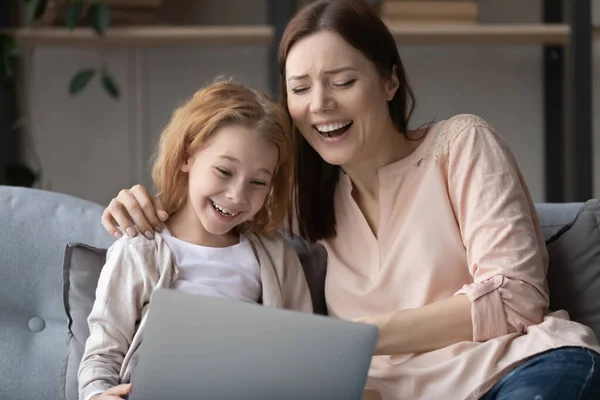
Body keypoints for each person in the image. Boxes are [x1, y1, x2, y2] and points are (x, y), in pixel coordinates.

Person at [99, 1, 600, 399]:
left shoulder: (461, 145)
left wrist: (359, 338)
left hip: (518, 371)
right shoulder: (298, 197)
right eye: (300, 88)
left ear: (390, 81)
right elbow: (220, 207)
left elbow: (517, 296)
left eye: (342, 82)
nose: (320, 104)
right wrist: (140, 202)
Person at [78, 79, 313, 400]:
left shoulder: (275, 256)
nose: (237, 196)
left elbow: (306, 354)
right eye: (224, 171)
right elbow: (101, 356)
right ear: (186, 157)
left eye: (258, 182)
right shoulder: (139, 248)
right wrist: (98, 395)